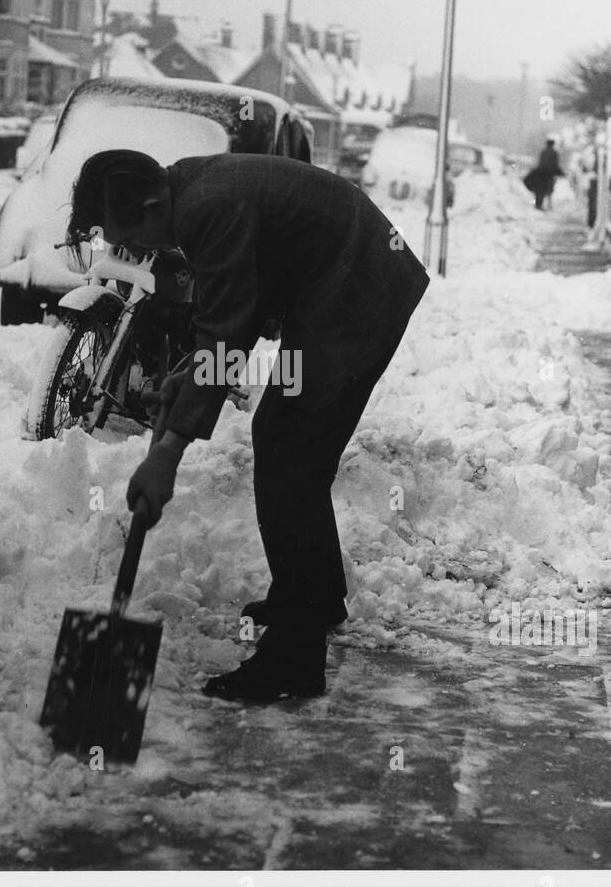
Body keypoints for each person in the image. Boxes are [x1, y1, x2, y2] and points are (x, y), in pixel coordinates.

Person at [68, 149, 430, 702]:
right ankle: (314, 595)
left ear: (148, 203)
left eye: (121, 234)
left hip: (356, 293)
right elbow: (235, 306)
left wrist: (166, 453)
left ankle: (294, 658)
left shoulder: (208, 207)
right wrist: (192, 371)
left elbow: (228, 335)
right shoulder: (188, 193)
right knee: (286, 444)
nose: (129, 250)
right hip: (338, 280)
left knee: (291, 457)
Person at [524, 138, 563, 210]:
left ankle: (538, 204)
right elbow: (555, 164)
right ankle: (546, 204)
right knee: (548, 188)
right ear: (552, 145)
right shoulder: (554, 153)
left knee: (538, 189)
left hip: (540, 172)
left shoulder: (543, 152)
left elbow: (540, 162)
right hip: (549, 174)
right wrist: (560, 172)